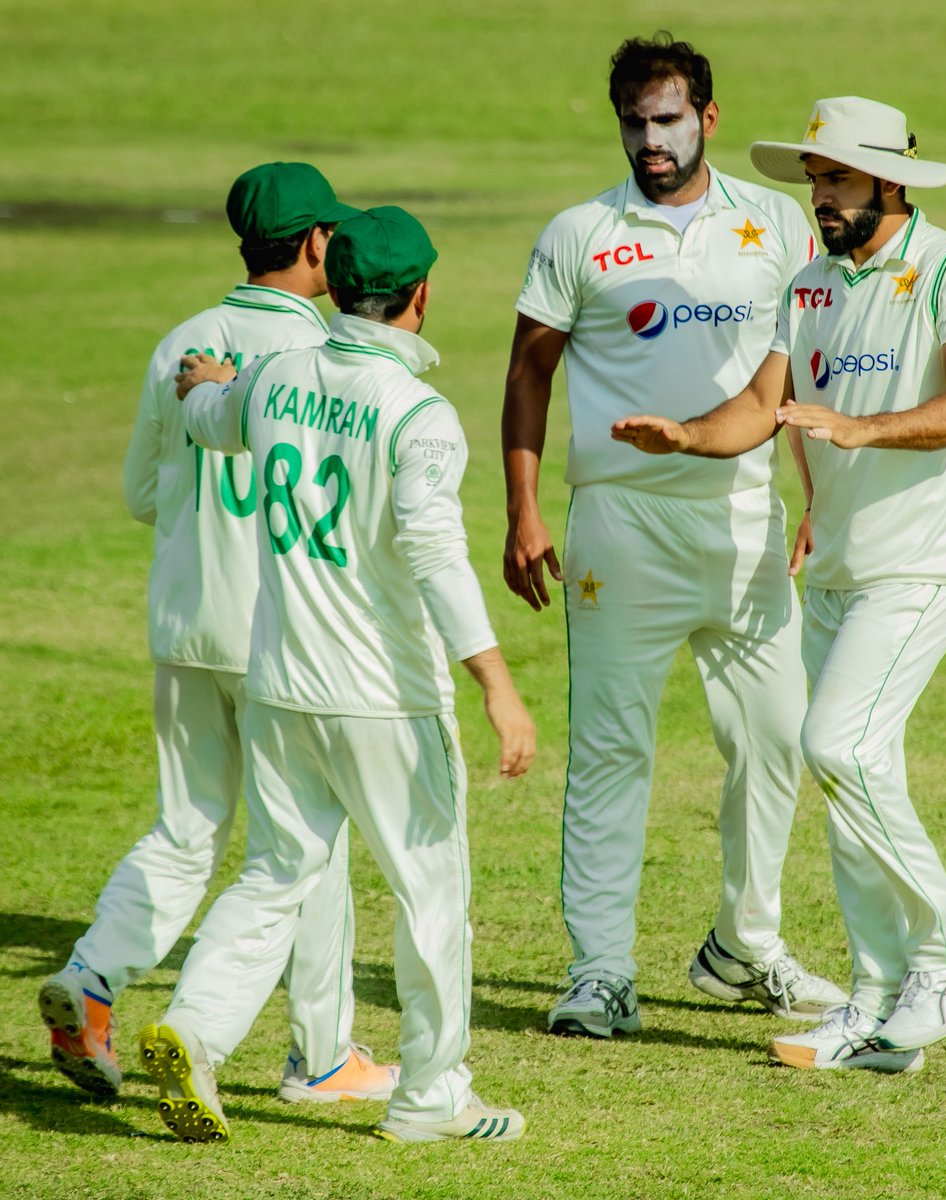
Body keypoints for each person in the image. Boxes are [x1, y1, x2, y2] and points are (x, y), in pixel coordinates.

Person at [613, 96, 946, 1072]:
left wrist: (861, 430)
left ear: (886, 181)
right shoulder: (809, 285)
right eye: (812, 179)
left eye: (832, 178)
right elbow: (762, 406)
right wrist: (689, 436)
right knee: (844, 774)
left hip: (923, 559)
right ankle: (873, 1002)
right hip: (833, 565)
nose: (817, 195)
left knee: (837, 744)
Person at [152, 205, 535, 1144]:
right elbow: (437, 552)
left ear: (341, 281)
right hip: (385, 700)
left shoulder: (278, 376)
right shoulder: (419, 413)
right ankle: (430, 1098)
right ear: (420, 295)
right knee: (431, 894)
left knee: (274, 874)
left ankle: (193, 1030)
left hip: (281, 686)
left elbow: (209, 420)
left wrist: (207, 379)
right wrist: (496, 680)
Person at [502, 33, 844, 1039]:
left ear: (707, 117)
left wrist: (813, 490)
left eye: (666, 120)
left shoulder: (776, 221)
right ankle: (599, 971)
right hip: (620, 523)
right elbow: (529, 370)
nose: (649, 143)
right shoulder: (578, 232)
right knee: (611, 750)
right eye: (633, 124)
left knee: (779, 736)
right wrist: (522, 510)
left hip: (744, 517)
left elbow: (798, 371)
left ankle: (744, 946)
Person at [38, 162, 399, 1106]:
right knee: (304, 850)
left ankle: (89, 983)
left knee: (184, 830)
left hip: (182, 618)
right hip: (283, 634)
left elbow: (141, 494)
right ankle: (322, 1057)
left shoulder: (182, 340)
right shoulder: (324, 353)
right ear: (317, 243)